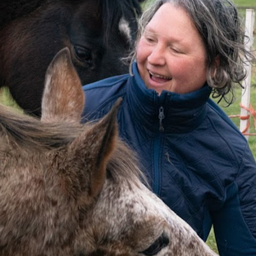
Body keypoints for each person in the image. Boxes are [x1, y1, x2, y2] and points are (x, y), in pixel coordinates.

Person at [82, 0, 256, 255]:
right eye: (149, 39)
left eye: (175, 49)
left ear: (214, 64)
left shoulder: (232, 156)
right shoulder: (83, 111)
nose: (154, 58)